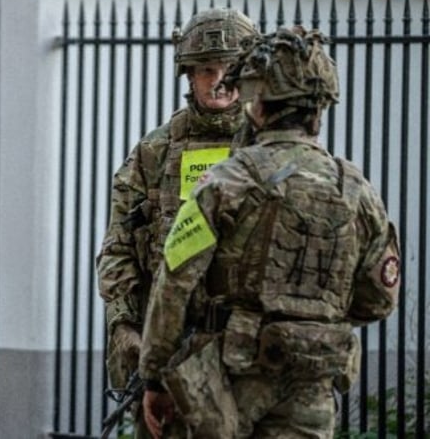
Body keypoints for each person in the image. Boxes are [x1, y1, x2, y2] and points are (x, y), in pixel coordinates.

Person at [139, 27, 400, 438]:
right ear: (320, 106)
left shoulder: (224, 184)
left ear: (256, 105)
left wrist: (155, 377)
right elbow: (378, 300)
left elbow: (174, 284)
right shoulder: (356, 190)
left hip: (228, 385)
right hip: (312, 384)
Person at [96, 7, 257, 437]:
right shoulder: (156, 151)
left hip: (246, 357)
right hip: (167, 355)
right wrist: (125, 326)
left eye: (229, 68)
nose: (218, 79)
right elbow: (118, 248)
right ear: (188, 74)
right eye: (206, 69)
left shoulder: (265, 149)